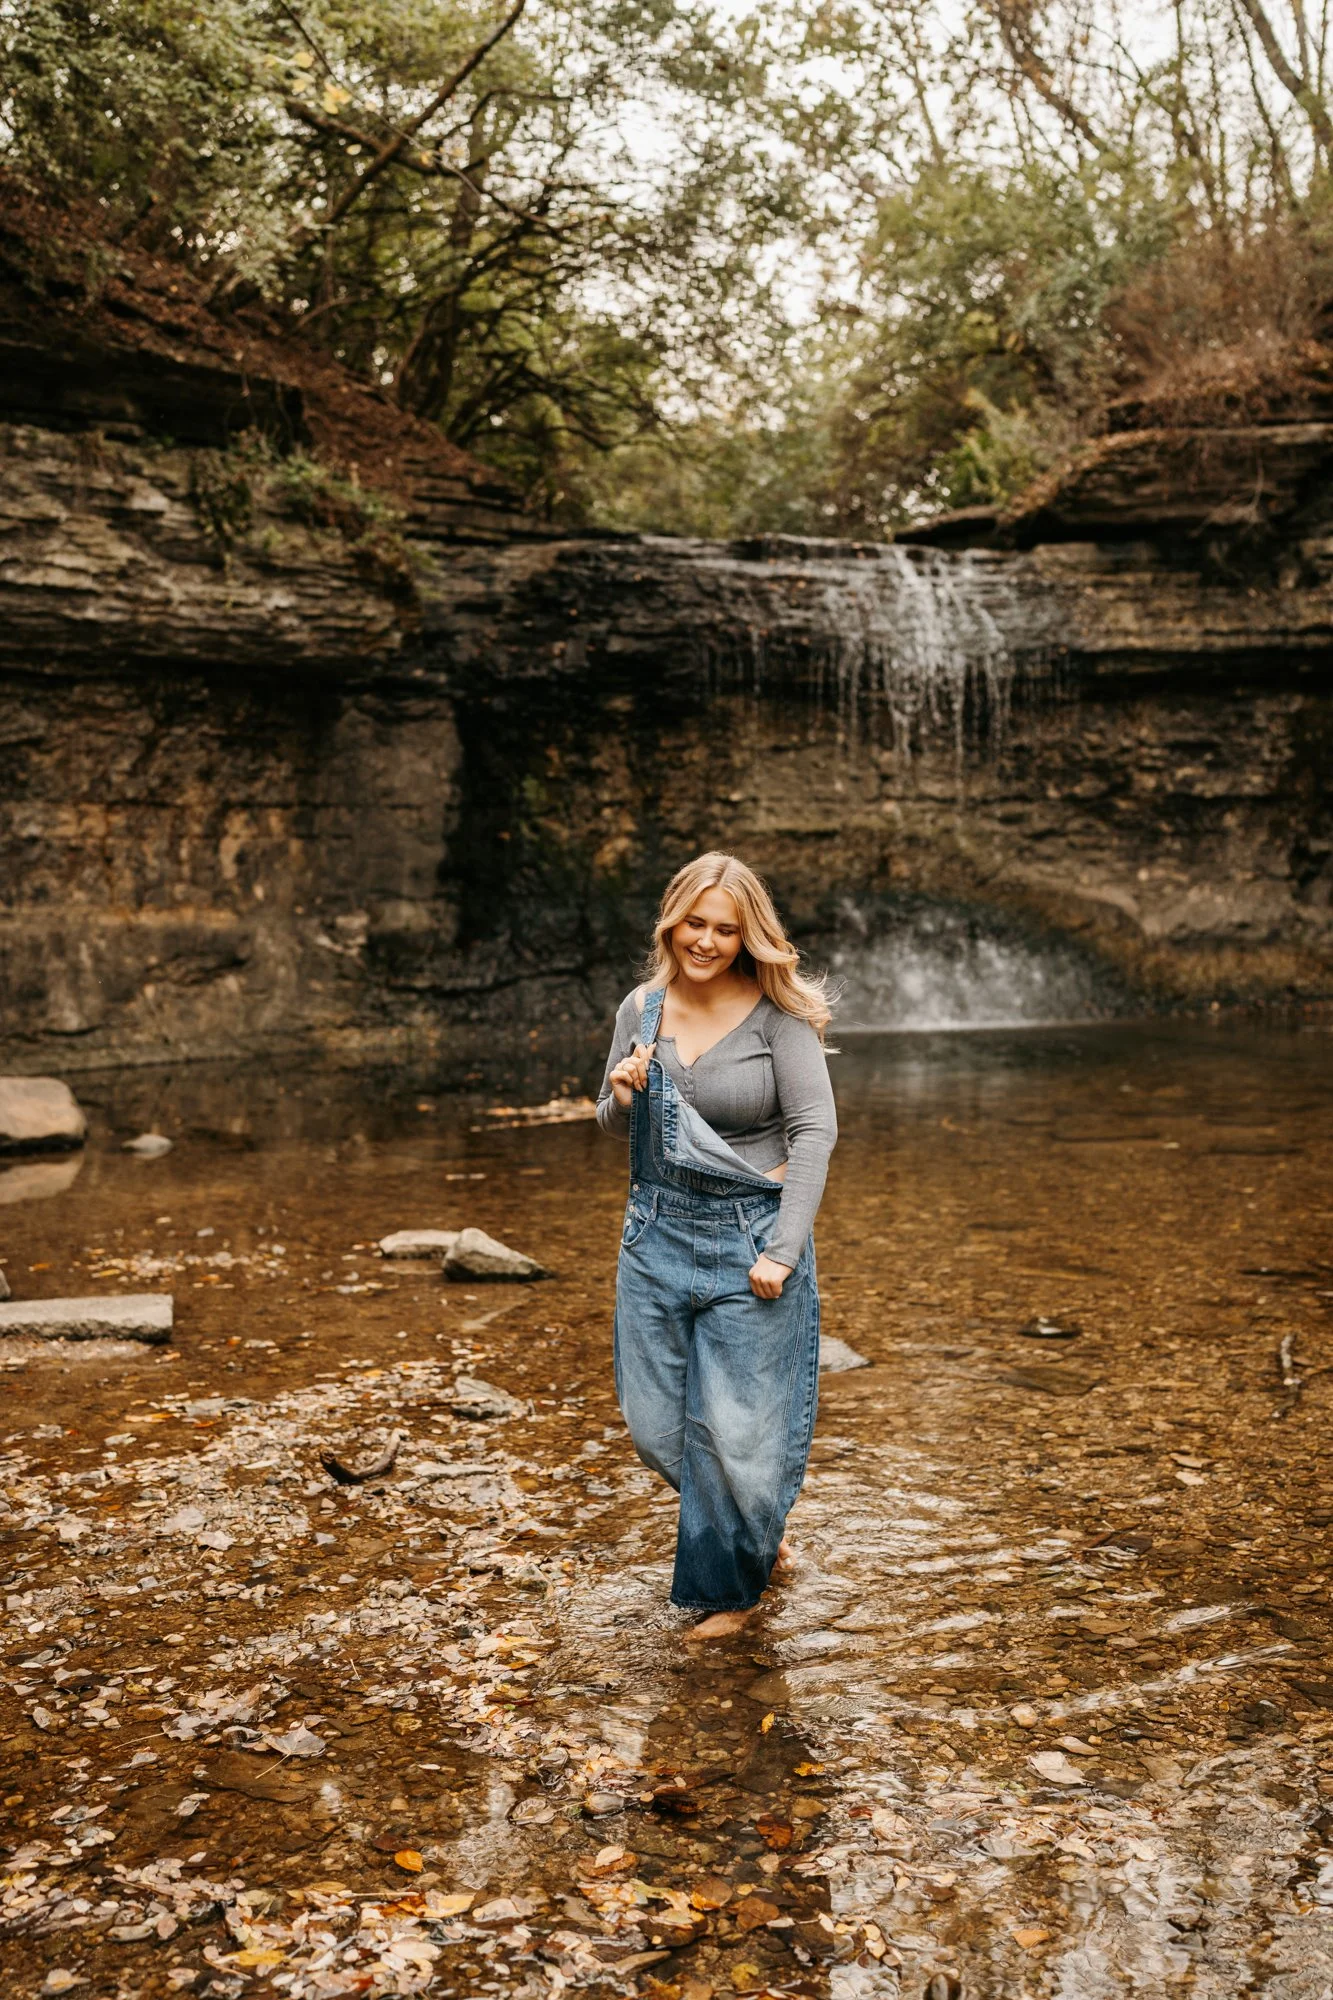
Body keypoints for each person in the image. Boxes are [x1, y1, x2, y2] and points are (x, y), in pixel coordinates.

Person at [597, 852, 837, 1638]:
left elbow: (814, 1132)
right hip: (655, 1232)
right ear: (673, 919)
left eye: (724, 929)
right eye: (695, 923)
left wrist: (782, 1250)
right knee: (654, 1424)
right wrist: (625, 1093)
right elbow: (609, 1118)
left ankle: (727, 1597)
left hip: (749, 1238)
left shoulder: (778, 1018)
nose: (706, 940)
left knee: (738, 1431)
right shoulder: (643, 1005)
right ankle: (757, 1527)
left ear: (748, 936)